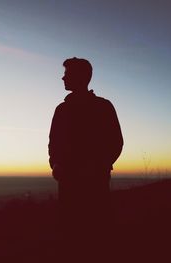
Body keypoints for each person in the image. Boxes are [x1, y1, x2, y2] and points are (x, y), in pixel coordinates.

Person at [48, 57, 123, 259]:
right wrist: (55, 164)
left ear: (81, 77)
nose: (62, 77)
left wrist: (98, 166)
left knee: (96, 232)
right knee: (71, 232)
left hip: (94, 182)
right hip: (68, 182)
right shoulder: (61, 110)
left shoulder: (103, 107)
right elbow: (53, 142)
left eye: (67, 73)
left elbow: (116, 142)